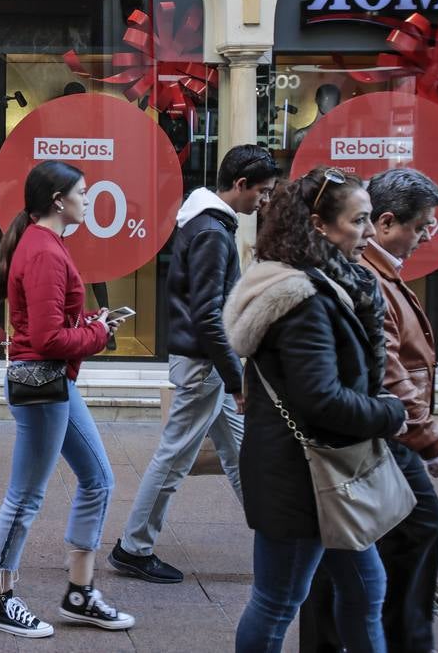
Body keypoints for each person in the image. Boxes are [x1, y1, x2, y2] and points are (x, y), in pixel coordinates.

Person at [224, 168, 407, 653]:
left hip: (315, 473)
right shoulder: (304, 299)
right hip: (301, 479)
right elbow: (320, 399)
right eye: (360, 219)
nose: (370, 231)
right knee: (278, 601)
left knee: (366, 589)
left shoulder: (327, 284)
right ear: (320, 226)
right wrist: (389, 412)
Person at [300, 168, 438, 653]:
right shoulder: (359, 276)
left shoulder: (366, 273)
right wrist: (424, 435)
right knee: (407, 529)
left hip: (375, 430)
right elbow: (382, 368)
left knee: (342, 555)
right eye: (360, 220)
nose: (367, 233)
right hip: (376, 433)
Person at [0, 160, 134, 639]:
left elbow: (51, 323)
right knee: (25, 496)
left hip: (53, 385)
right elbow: (47, 339)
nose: (88, 200)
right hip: (43, 387)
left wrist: (91, 321)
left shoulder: (45, 243)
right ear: (58, 201)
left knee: (99, 480)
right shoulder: (44, 251)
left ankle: (80, 594)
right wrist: (98, 333)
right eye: (82, 193)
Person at [110, 144, 279, 583]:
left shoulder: (208, 223)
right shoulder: (211, 231)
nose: (263, 202)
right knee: (173, 460)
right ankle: (133, 547)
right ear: (239, 185)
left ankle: (279, 542)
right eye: (261, 192)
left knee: (243, 456)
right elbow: (208, 314)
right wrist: (236, 378)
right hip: (206, 368)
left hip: (209, 366)